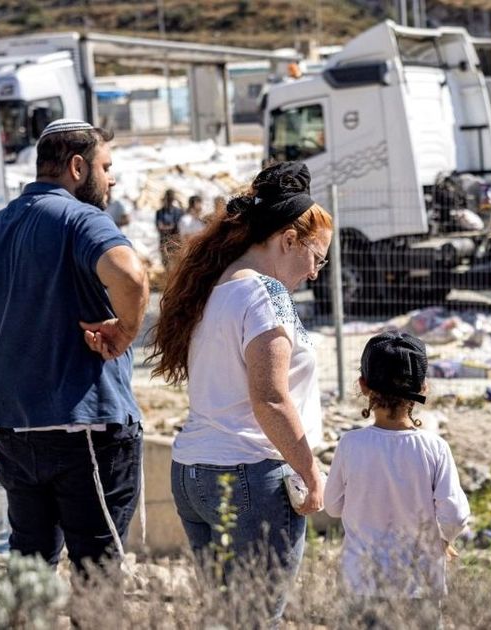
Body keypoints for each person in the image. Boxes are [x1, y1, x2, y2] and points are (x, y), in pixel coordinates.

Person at [0, 119, 149, 577]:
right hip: (87, 431)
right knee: (98, 580)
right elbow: (131, 276)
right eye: (107, 166)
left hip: (14, 436)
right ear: (78, 167)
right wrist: (126, 329)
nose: (113, 178)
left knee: (30, 578)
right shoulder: (82, 220)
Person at [147, 161, 332, 621]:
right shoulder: (265, 294)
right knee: (256, 619)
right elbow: (270, 398)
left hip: (193, 472)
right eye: (318, 257)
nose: (315, 273)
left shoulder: (215, 286)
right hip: (248, 476)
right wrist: (310, 472)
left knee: (224, 617)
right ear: (289, 239)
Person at [324, 332, 470, 624]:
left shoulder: (350, 444)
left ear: (363, 386)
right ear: (424, 388)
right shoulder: (434, 447)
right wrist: (443, 539)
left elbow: (333, 506)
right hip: (421, 585)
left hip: (362, 583)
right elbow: (455, 514)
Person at [155, 188, 182, 269]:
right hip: (164, 242)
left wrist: (165, 227)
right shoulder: (160, 212)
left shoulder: (177, 211)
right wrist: (169, 227)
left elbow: (176, 227)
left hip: (174, 242)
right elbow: (159, 227)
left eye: (171, 198)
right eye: (168, 198)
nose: (169, 200)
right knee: (166, 265)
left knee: (175, 266)